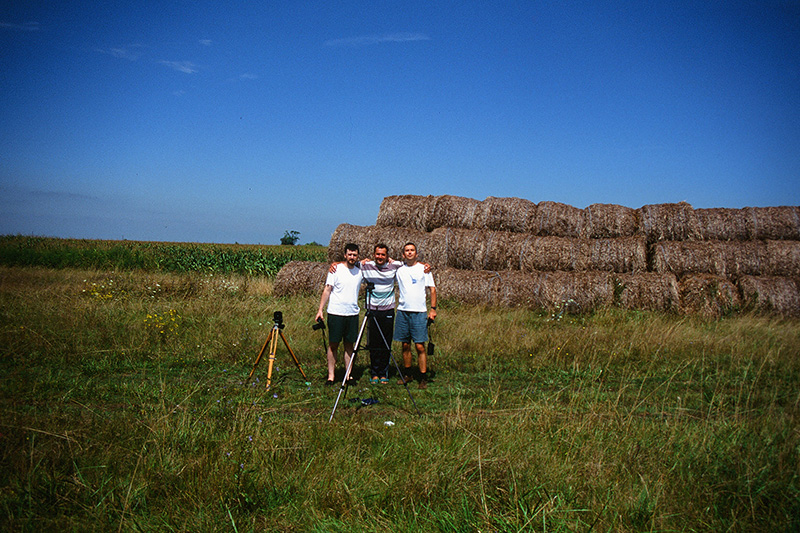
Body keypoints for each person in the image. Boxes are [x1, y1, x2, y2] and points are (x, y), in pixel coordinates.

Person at [315, 243, 362, 385]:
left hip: (352, 313)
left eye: (354, 255)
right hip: (335, 312)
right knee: (333, 344)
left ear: (357, 256)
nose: (352, 257)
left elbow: (379, 263)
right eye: (350, 254)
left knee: (349, 345)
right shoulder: (335, 270)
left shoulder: (360, 271)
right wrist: (320, 310)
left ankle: (348, 375)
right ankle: (331, 376)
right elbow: (327, 289)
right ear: (345, 255)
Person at [394, 242, 437, 389]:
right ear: (403, 254)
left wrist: (433, 308)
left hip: (419, 312)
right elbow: (382, 263)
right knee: (405, 345)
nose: (410, 252)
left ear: (416, 254)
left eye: (412, 250)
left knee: (420, 346)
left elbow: (432, 290)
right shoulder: (399, 270)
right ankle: (408, 374)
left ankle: (423, 377)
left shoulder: (424, 270)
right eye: (407, 250)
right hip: (402, 311)